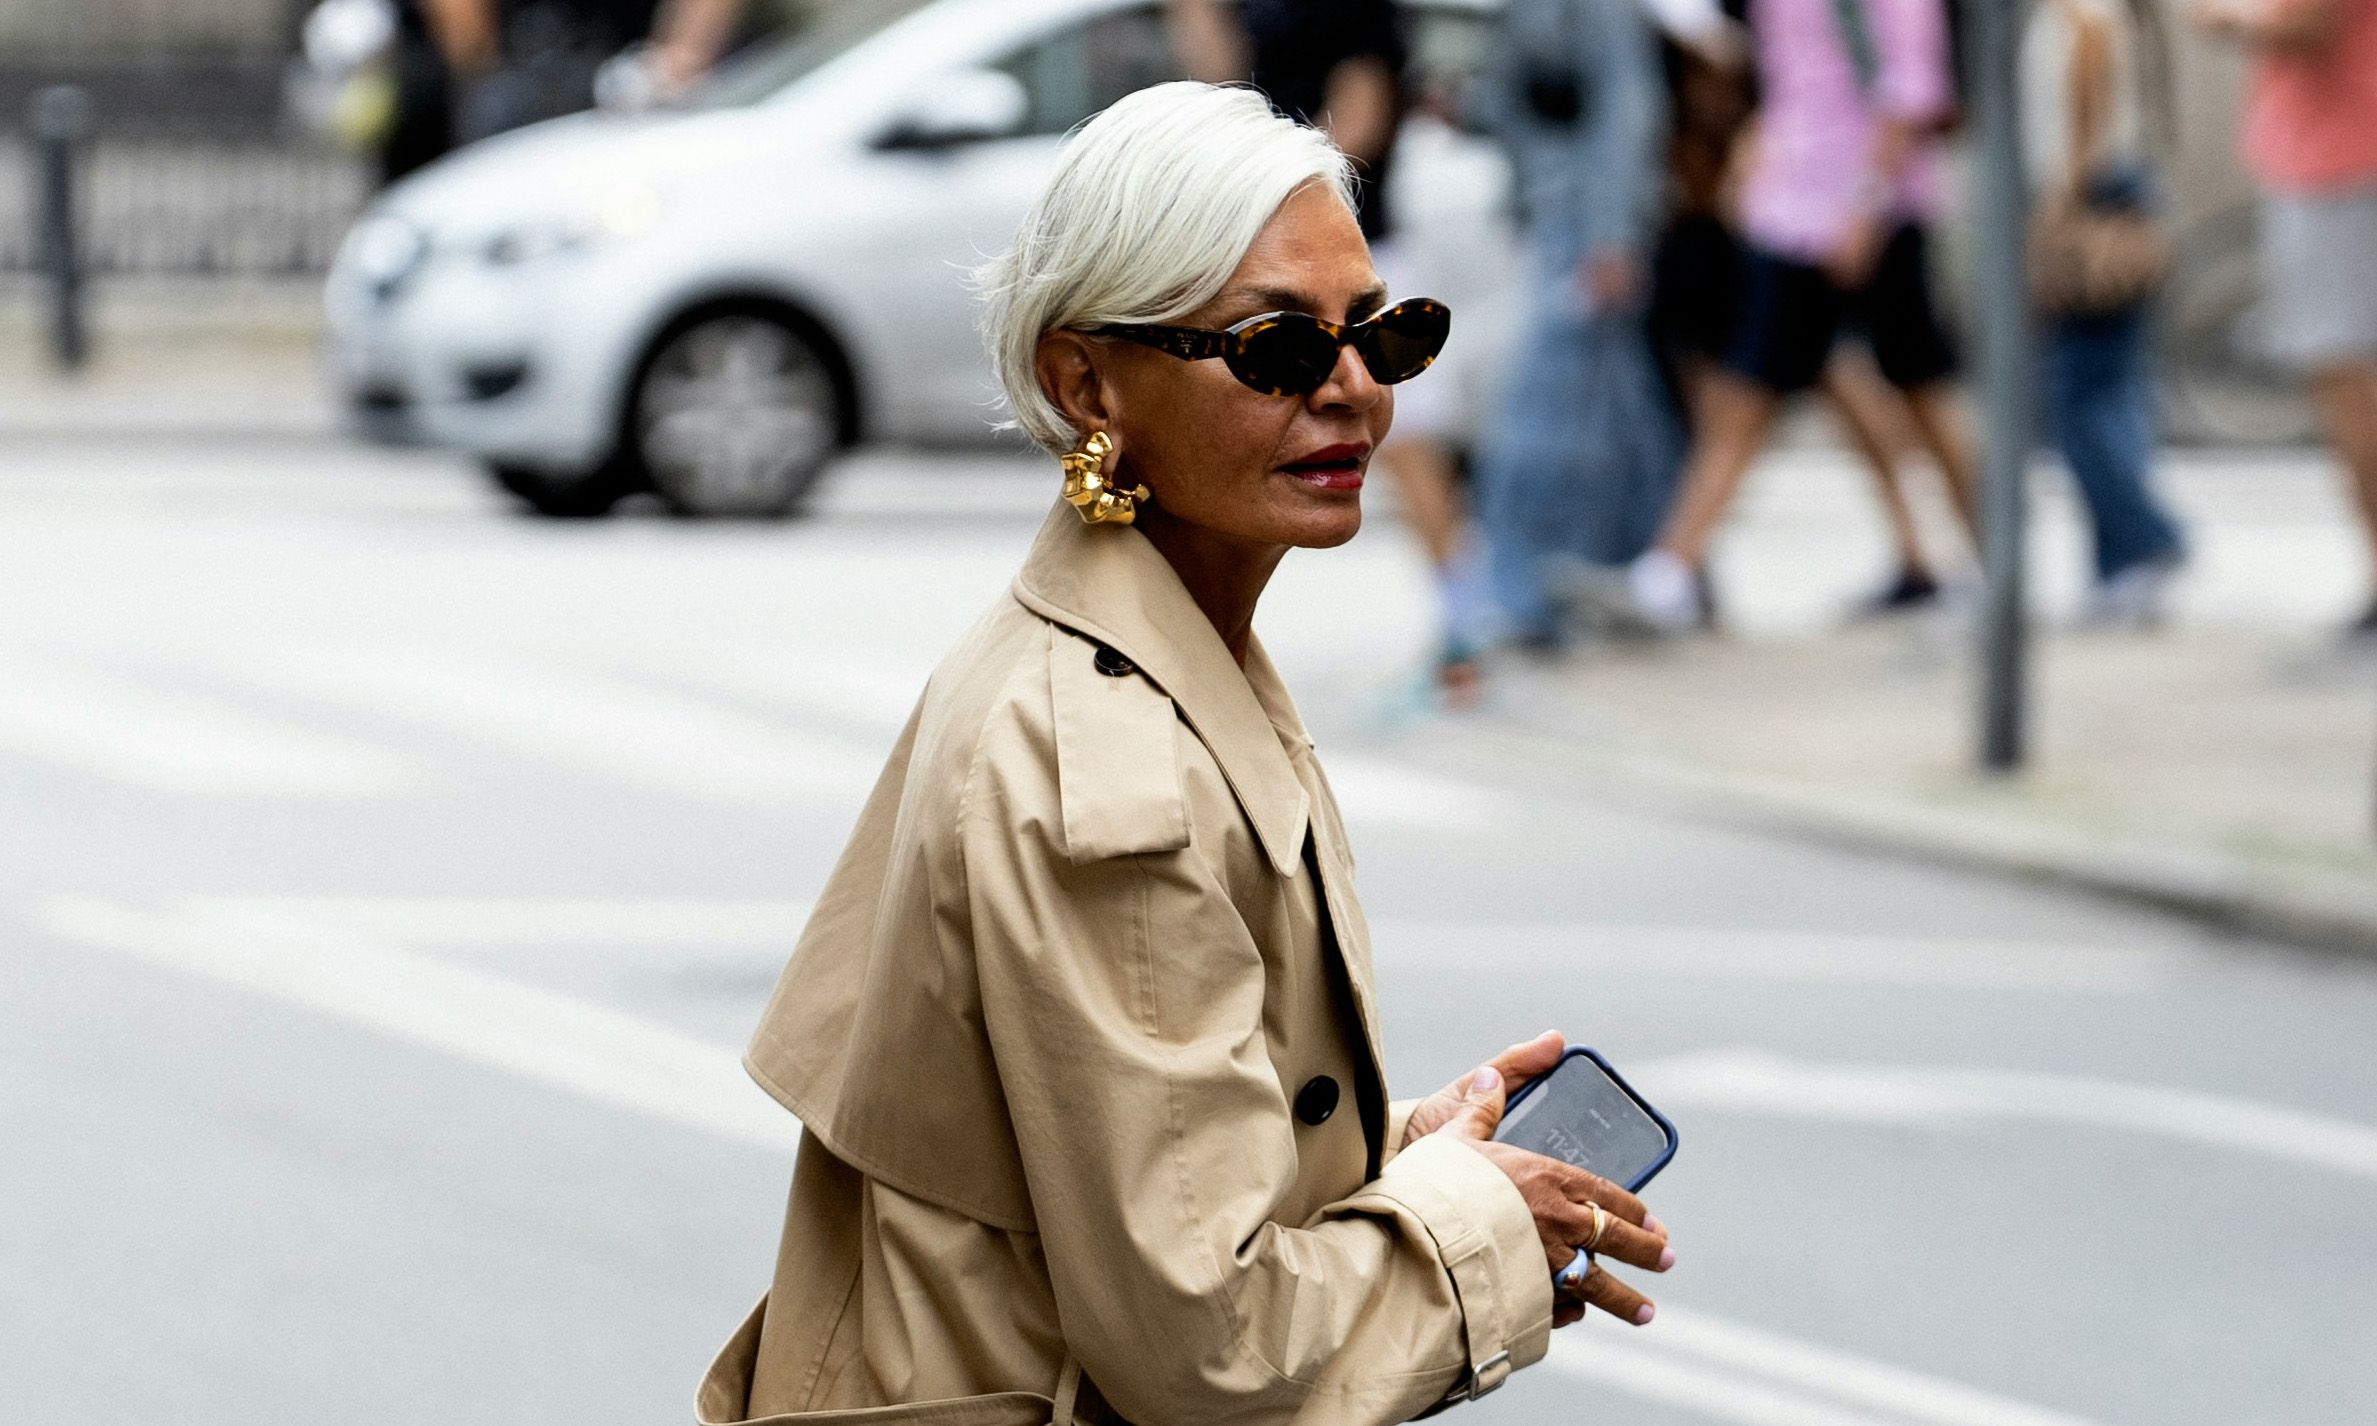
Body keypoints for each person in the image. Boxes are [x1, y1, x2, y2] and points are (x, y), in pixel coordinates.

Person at [696, 84, 1674, 1426]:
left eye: (1383, 333)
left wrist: (1408, 1161)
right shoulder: (1106, 763)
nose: (1350, 390)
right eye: (1274, 347)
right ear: (1083, 379)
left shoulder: (1133, 644)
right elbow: (1207, 1346)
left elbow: (1104, 1173)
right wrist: (1470, 1227)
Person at [1613, 0, 1978, 632]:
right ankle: (1670, 572)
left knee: (1922, 390)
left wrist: (1866, 205)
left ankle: (1995, 557)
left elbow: (1911, 85)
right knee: (1746, 394)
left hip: (1872, 211)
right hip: (1792, 214)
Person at [1170, 0, 1491, 700]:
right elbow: (1219, 88)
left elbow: (1361, 120)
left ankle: (1468, 619)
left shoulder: (1360, 13)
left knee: (1399, 433)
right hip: (1267, 244)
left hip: (1348, 241)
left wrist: (1277, 207)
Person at [1470, 0, 1680, 647]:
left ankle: (1520, 596)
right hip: (1555, 216)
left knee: (1545, 421)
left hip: (1585, 228)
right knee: (1621, 412)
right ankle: (1644, 573)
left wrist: (1611, 234)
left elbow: (1626, 109)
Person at [2195, 0, 2377, 644]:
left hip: (2339, 162)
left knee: (2344, 374)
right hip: (2326, 160)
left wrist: (2230, 19)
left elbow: (2310, 26)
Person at [2024, 0, 2190, 626]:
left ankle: (2147, 538)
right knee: (2111, 392)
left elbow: (2086, 122)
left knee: (2079, 395)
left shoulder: (2084, 16)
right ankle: (2121, 565)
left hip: (2094, 196)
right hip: (2107, 188)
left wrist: (2061, 211)